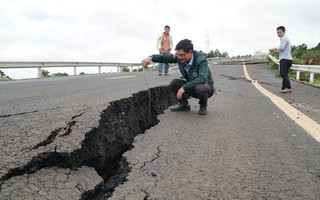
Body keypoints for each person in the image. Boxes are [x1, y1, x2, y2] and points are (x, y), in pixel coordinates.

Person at [142, 39, 214, 115]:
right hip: (191, 86)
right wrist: (151, 58)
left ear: (190, 52)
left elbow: (202, 79)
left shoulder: (201, 60)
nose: (179, 57)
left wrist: (184, 87)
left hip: (206, 88)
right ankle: (183, 105)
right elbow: (165, 57)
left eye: (181, 55)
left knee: (202, 88)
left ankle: (203, 106)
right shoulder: (179, 57)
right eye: (178, 55)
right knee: (174, 82)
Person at [269, 26, 293, 93]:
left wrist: (273, 48)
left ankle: (288, 88)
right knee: (285, 74)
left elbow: (281, 48)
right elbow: (282, 50)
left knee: (283, 74)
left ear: (284, 32)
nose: (278, 34)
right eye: (277, 32)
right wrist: (274, 51)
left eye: (279, 32)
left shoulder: (284, 38)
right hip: (288, 59)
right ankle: (284, 87)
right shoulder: (285, 39)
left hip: (285, 59)